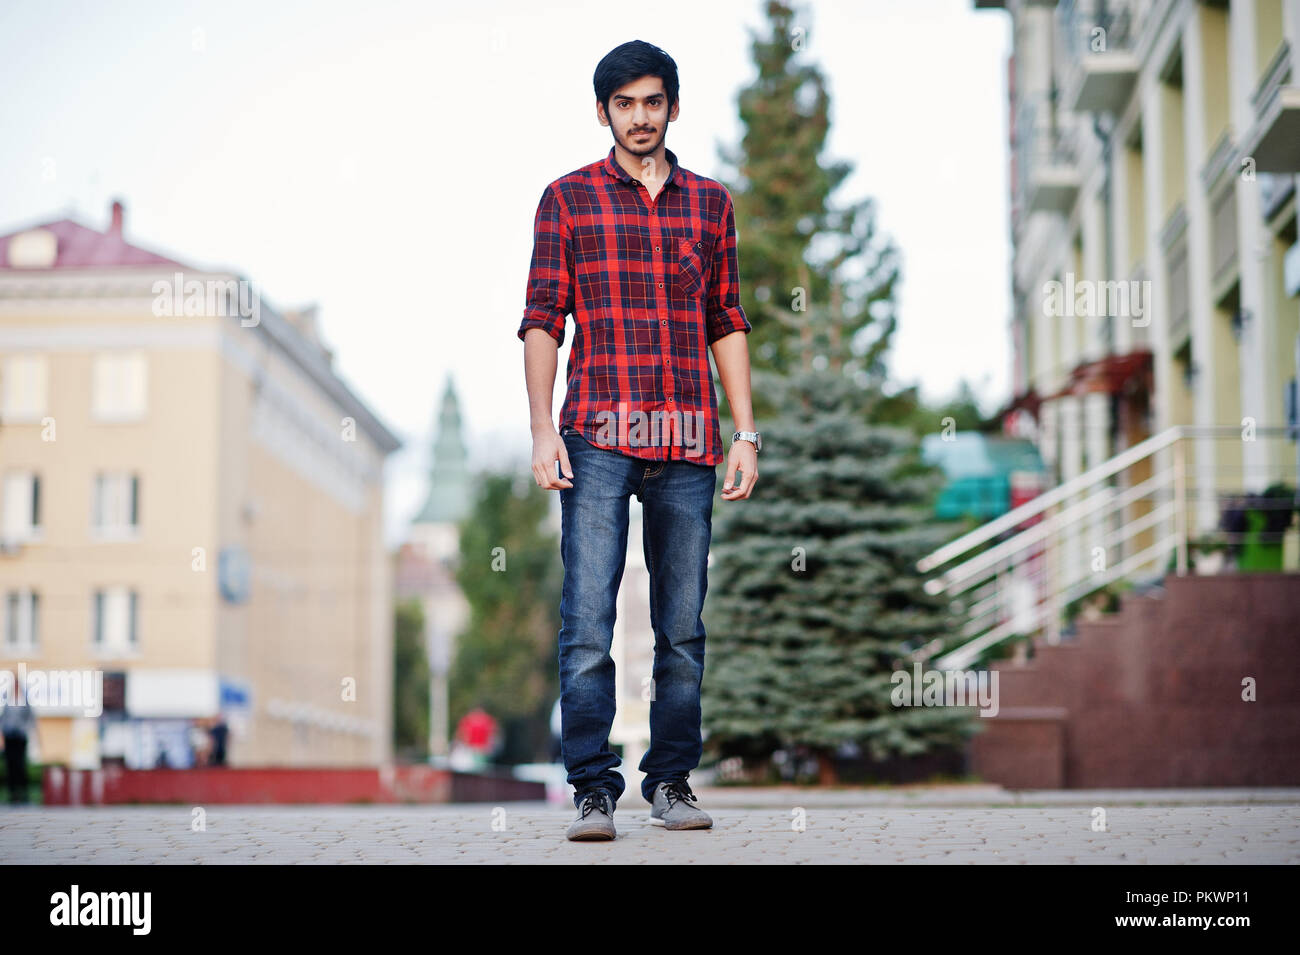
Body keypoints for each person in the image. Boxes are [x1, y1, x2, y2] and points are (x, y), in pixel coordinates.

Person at [519, 40, 760, 841]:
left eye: (653, 101)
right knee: (587, 618)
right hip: (595, 434)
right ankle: (592, 787)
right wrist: (541, 427)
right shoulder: (566, 200)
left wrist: (746, 432)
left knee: (681, 625)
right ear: (603, 112)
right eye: (624, 104)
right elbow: (542, 320)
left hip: (689, 438)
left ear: (674, 107)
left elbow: (726, 320)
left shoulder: (711, 204)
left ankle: (671, 781)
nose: (640, 116)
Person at [1, 689, 40, 804]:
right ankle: (12, 794)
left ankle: (23, 793)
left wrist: (28, 730)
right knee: (10, 765)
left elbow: (31, 719)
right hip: (9, 736)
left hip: (21, 737)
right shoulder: (7, 702)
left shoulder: (25, 702)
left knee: (20, 764)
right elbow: (3, 719)